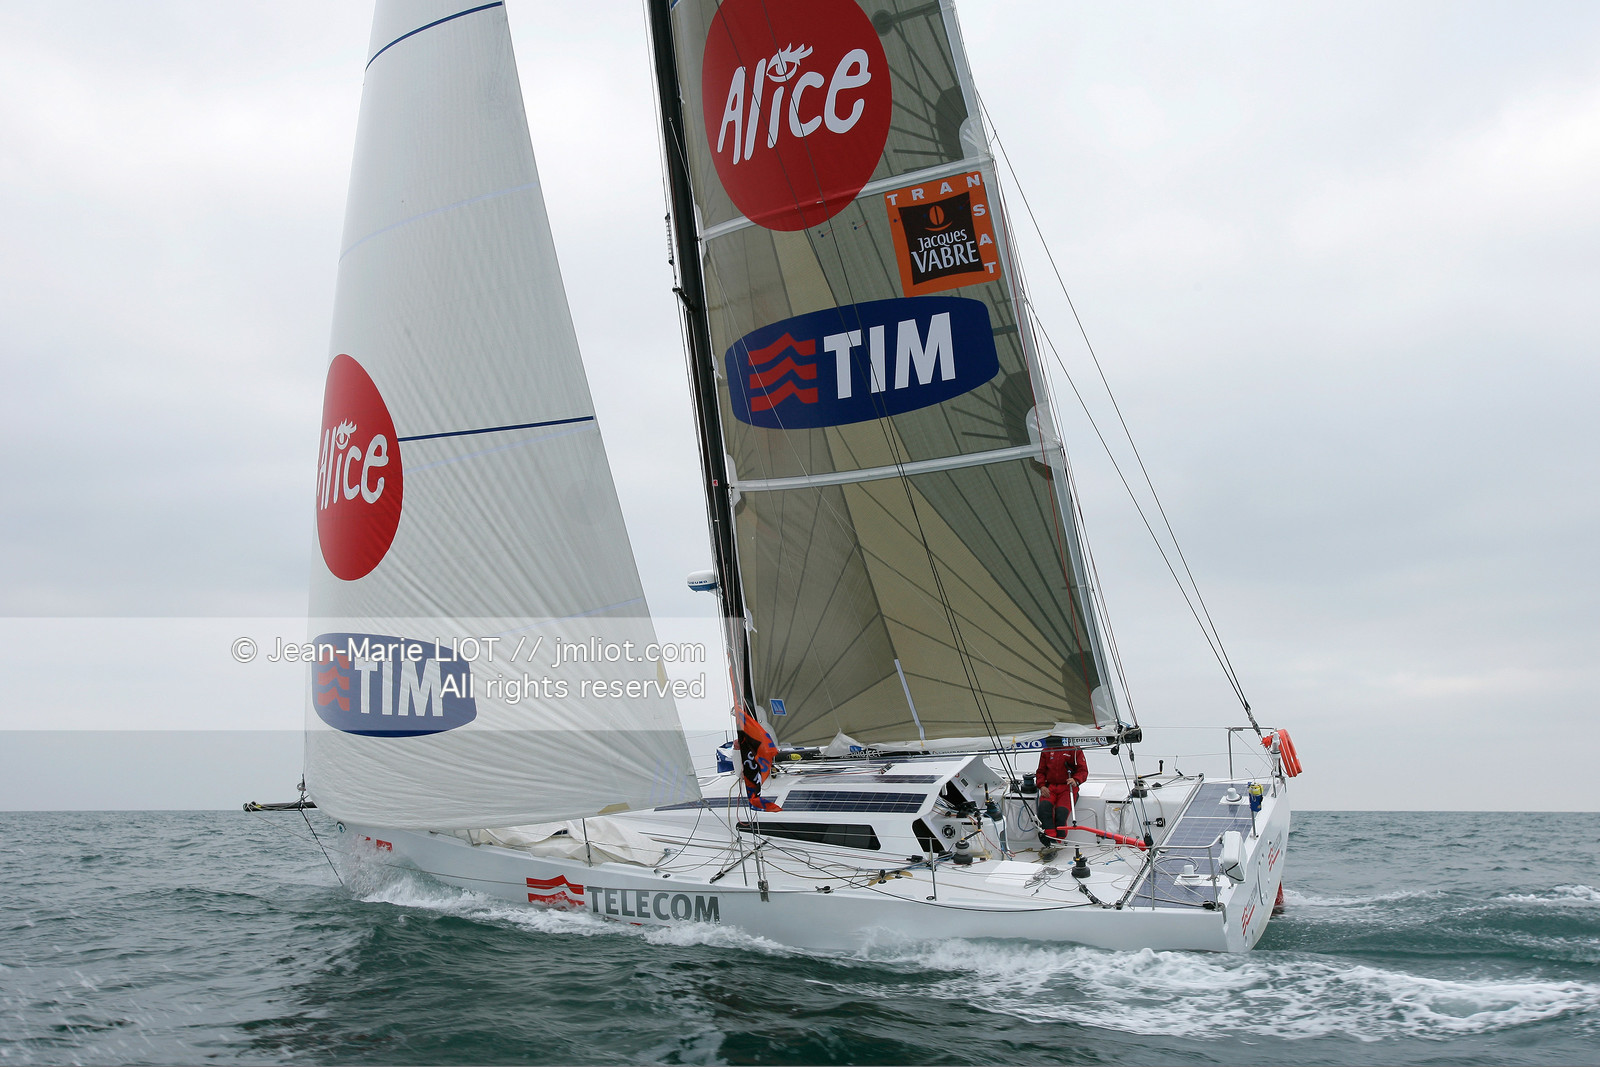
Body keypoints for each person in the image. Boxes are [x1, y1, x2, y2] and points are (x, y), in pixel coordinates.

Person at [1035, 735, 1087, 857]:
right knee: (1044, 809)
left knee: (1061, 813)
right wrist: (1042, 786)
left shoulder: (1074, 749)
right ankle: (1050, 841)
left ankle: (1058, 840)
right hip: (1050, 787)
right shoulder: (1046, 750)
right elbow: (1040, 772)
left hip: (1068, 787)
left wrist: (1076, 780)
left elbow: (1083, 770)